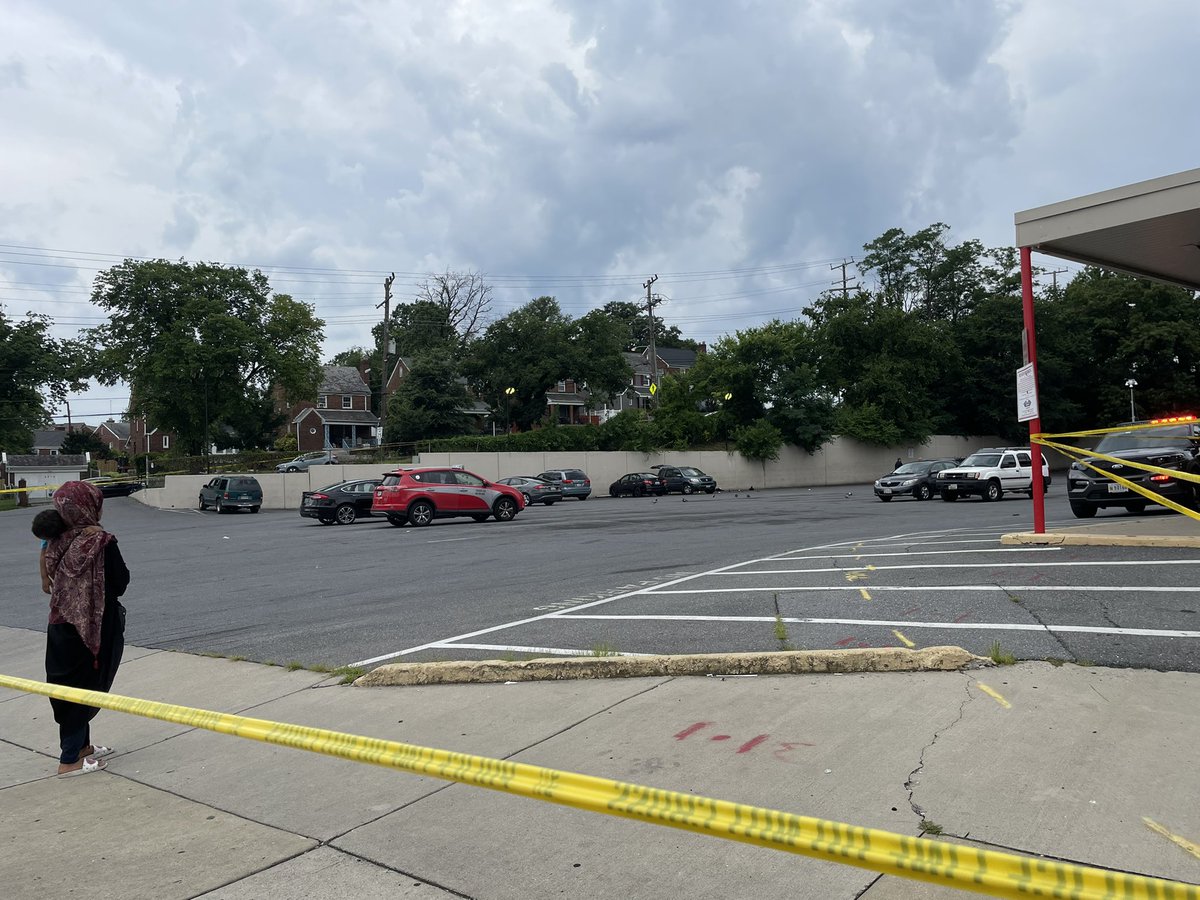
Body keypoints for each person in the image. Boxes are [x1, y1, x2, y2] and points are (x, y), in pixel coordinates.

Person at [39, 481, 130, 775]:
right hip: (94, 624)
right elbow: (120, 582)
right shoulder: (101, 542)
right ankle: (70, 761)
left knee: (70, 684)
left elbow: (49, 575)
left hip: (61, 624)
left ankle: (82, 747)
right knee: (84, 685)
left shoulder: (55, 541)